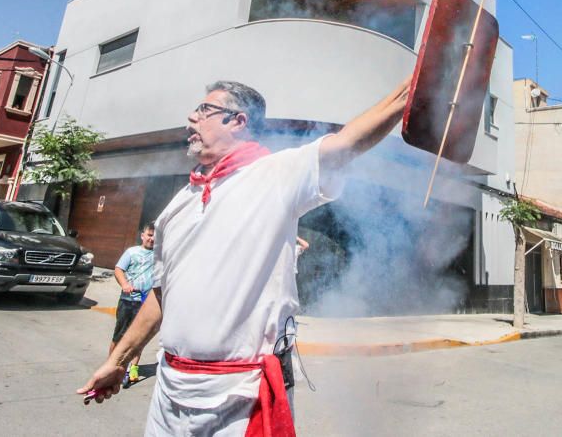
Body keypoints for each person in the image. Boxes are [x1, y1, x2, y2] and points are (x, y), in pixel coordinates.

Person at [79, 77, 410, 435]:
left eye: (205, 110)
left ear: (238, 121)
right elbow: (161, 294)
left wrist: (415, 87)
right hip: (169, 392)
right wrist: (118, 359)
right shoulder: (177, 206)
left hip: (241, 396)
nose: (191, 117)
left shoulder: (275, 175)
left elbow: (346, 143)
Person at [111, 222, 156, 387]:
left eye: (155, 235)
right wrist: (124, 284)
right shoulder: (132, 252)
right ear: (142, 235)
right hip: (128, 301)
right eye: (149, 235)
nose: (152, 238)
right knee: (120, 335)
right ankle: (112, 365)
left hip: (146, 303)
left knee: (140, 338)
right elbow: (118, 269)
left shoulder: (160, 255)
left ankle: (133, 368)